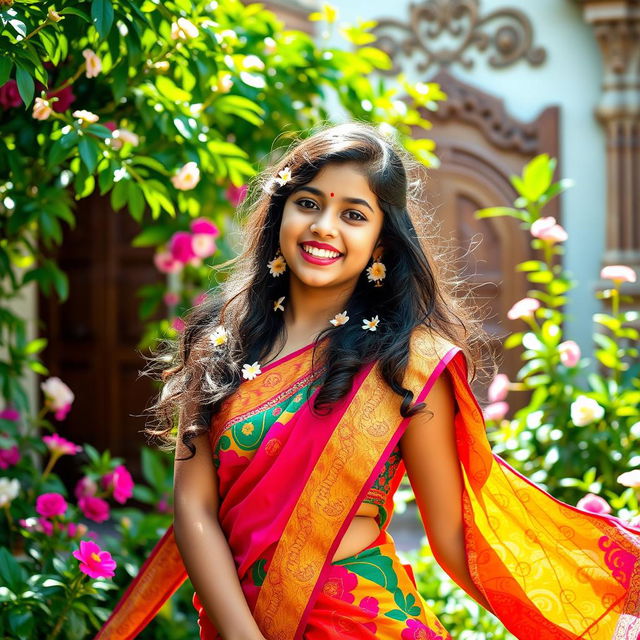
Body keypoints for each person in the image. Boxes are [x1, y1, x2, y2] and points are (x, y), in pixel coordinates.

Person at [95, 122, 640, 640]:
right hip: (240, 619)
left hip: (361, 617)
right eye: (308, 203)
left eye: (354, 214)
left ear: (381, 241)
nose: (324, 227)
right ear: (280, 213)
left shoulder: (407, 364)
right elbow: (193, 508)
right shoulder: (221, 344)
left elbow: (455, 539)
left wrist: (597, 614)